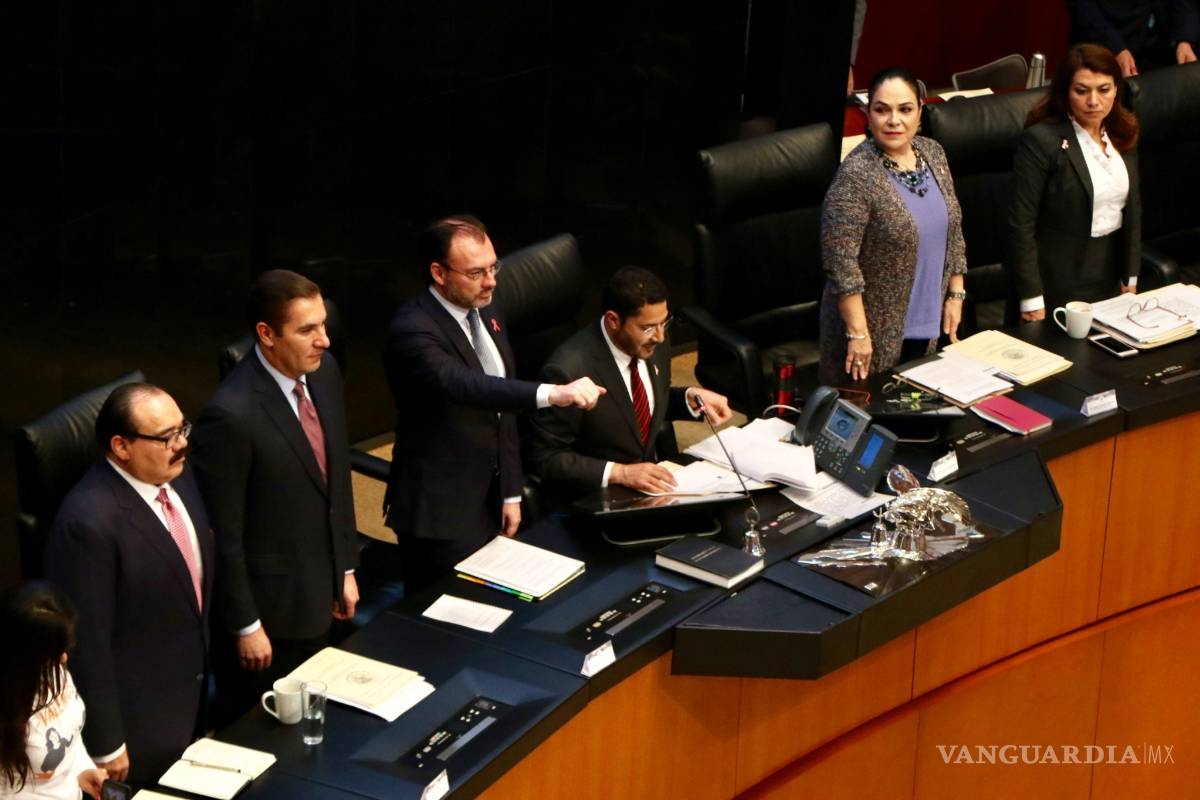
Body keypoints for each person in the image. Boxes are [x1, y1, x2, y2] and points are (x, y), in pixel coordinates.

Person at [383, 215, 605, 588]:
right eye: (476, 273)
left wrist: (511, 490)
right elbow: (471, 387)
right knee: (447, 618)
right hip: (441, 508)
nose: (491, 282)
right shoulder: (413, 330)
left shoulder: (486, 306)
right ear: (438, 273)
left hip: (491, 491)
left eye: (493, 267)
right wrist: (554, 394)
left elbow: (501, 413)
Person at [190, 270, 359, 714]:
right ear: (266, 334)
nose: (323, 339)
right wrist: (246, 624)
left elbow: (335, 479)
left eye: (323, 324)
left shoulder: (324, 373)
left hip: (324, 589)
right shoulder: (229, 416)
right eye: (307, 330)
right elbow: (222, 533)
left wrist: (346, 569)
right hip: (270, 619)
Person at [44, 384, 213, 784]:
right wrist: (107, 740)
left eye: (182, 428)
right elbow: (86, 642)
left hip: (191, 692)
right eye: (167, 437)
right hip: (139, 723)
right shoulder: (87, 524)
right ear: (121, 447)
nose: (182, 443)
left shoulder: (176, 475)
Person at [528, 266, 733, 496]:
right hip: (598, 497)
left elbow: (636, 409)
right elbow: (545, 458)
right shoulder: (567, 370)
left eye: (663, 323)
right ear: (614, 320)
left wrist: (688, 398)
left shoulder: (654, 341)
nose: (660, 337)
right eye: (647, 328)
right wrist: (621, 473)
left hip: (653, 487)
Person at [819, 66, 967, 383]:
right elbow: (840, 265)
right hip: (871, 336)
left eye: (905, 109)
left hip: (930, 323)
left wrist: (956, 293)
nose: (894, 120)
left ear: (919, 113)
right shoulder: (856, 175)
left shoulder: (933, 153)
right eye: (882, 110)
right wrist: (858, 334)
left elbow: (953, 229)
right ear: (868, 115)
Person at [1008, 43, 1141, 321]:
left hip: (1109, 277)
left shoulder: (1122, 133)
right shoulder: (1041, 141)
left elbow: (1132, 211)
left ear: (1117, 89)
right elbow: (1021, 224)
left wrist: (1130, 274)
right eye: (1082, 91)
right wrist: (1031, 298)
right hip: (1054, 285)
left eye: (1104, 89)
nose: (1094, 101)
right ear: (1066, 92)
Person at [0, 584, 107, 800]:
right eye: (53, 652)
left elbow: (71, 736)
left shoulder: (54, 670)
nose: (64, 659)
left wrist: (81, 770)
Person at [1068, 0, 1198, 76]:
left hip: (1165, 45)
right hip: (1107, 44)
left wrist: (1185, 39)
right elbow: (1082, 6)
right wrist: (1116, 48)